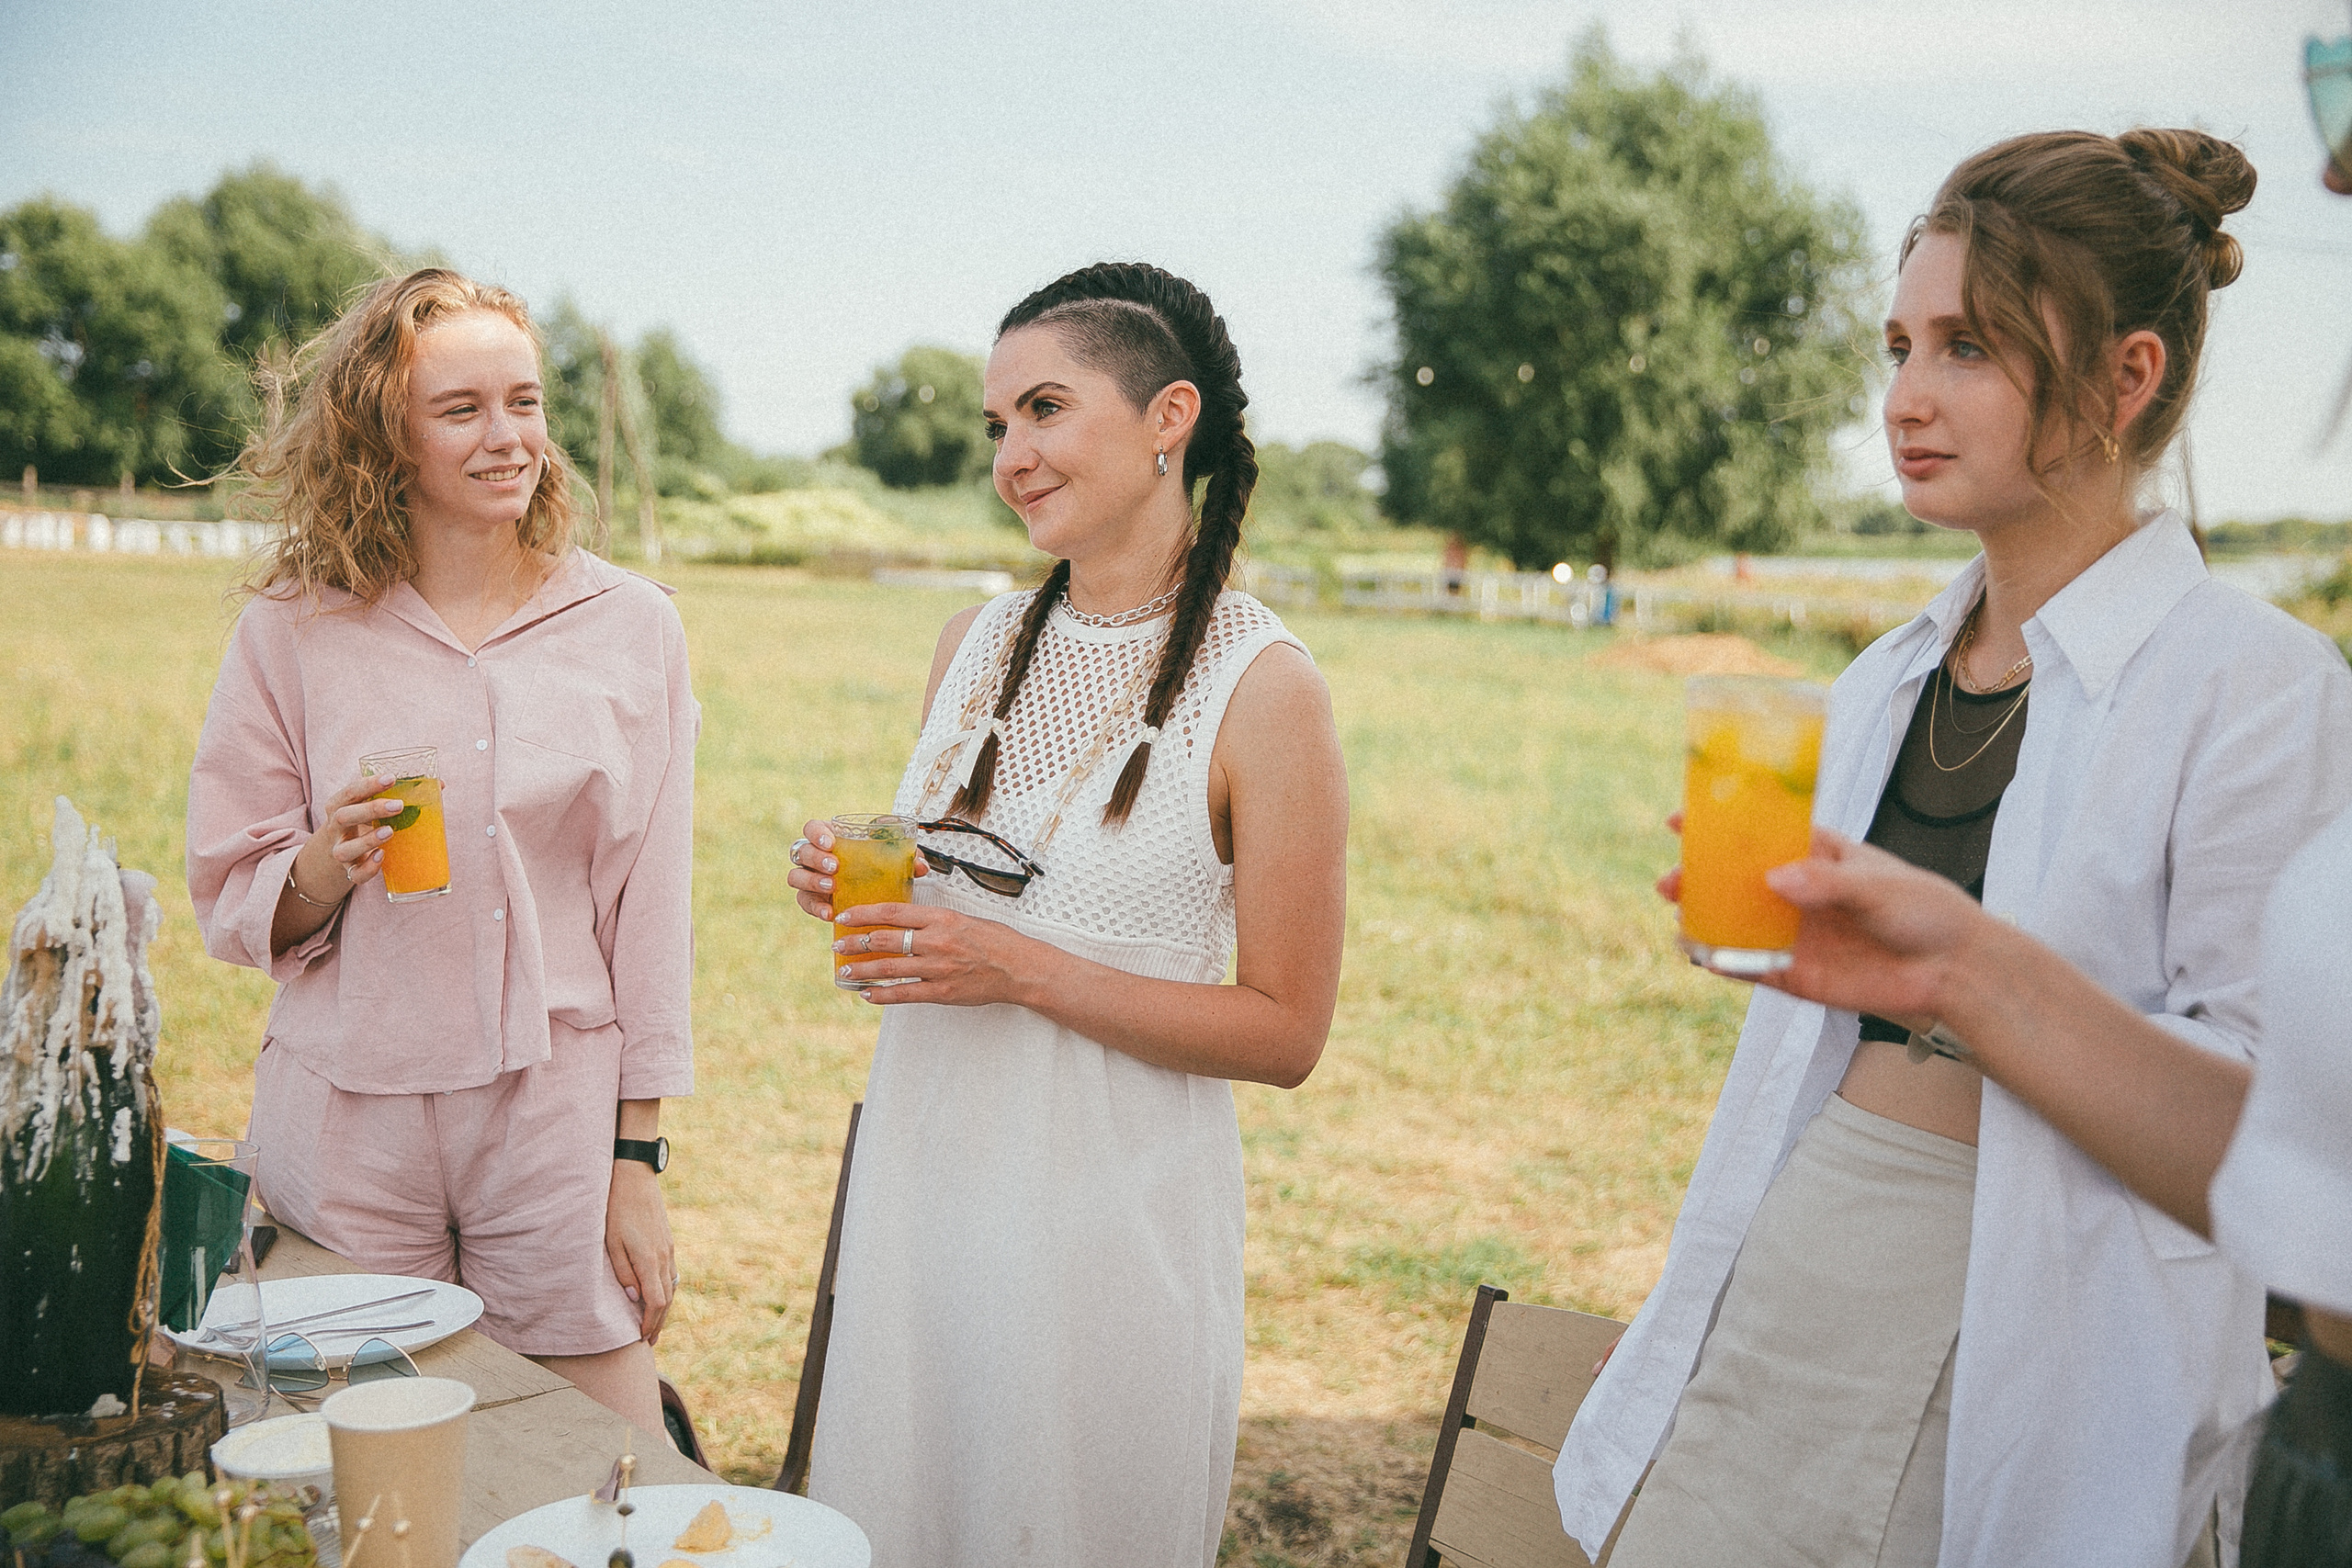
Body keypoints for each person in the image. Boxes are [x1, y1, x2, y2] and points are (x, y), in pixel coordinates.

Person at [1553, 130, 2352, 1568]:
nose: (1906, 397)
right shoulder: (1880, 679)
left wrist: (1967, 978)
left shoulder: (2257, 687)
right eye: (1900, 344)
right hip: (1797, 1256)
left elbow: (2279, 1129)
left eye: (1968, 347)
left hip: (2028, 1311)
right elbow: (1797, 1060)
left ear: (2128, 375)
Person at [786, 262, 1348, 1566]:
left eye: (1045, 409)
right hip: (927, 1198)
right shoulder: (971, 644)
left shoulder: (1265, 687)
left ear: (1168, 418)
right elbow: (958, 907)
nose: (1012, 456)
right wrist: (865, 893)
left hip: (1107, 1242)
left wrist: (1019, 968)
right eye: (998, 424)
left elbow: (1287, 1032)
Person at [186, 268, 698, 1435]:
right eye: (460, 410)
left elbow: (650, 914)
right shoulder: (290, 630)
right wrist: (322, 862)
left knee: (609, 1452)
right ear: (385, 437)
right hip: (348, 1106)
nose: (507, 437)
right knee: (341, 1449)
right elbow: (231, 887)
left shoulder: (633, 626)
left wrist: (637, 1160)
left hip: (552, 1106)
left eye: (524, 401)